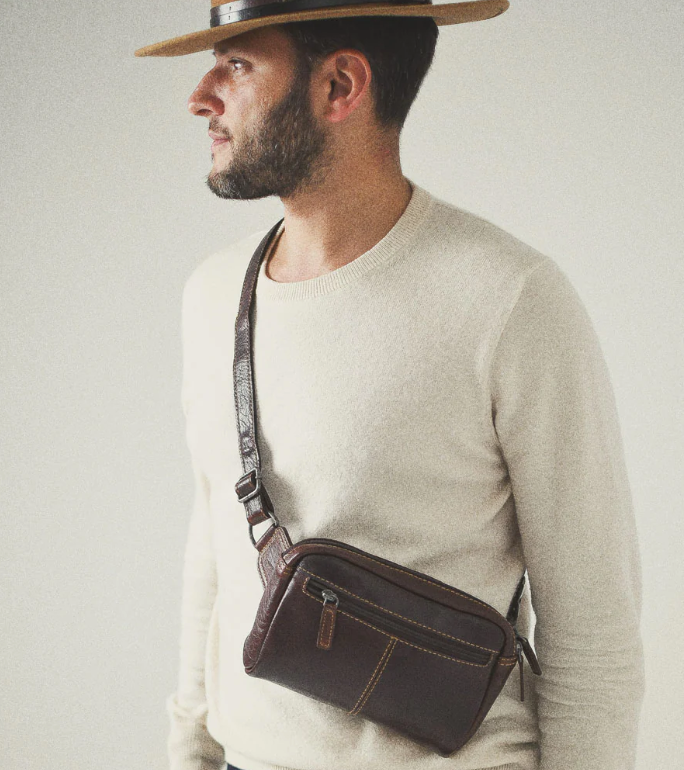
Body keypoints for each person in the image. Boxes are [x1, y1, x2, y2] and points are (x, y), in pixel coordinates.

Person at [135, 2, 646, 769]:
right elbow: (217, 546)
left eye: (237, 65)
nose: (200, 96)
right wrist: (190, 750)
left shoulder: (507, 298)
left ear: (339, 85)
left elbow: (594, 631)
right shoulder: (213, 293)